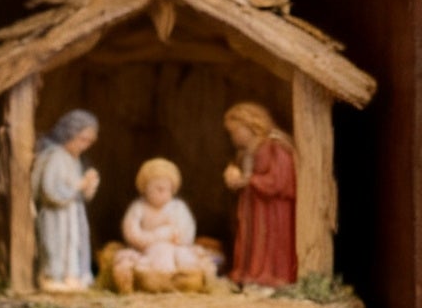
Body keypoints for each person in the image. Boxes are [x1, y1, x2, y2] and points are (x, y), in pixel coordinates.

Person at [109, 157, 219, 294]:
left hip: (175, 248)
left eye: (167, 189)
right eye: (157, 189)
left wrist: (176, 237)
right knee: (143, 260)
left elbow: (187, 232)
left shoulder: (178, 207)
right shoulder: (139, 207)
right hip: (147, 250)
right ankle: (157, 280)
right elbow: (131, 232)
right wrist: (154, 237)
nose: (162, 193)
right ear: (145, 189)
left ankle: (184, 278)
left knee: (186, 258)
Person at [225, 101, 297, 288]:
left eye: (236, 131)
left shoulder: (276, 146)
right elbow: (245, 173)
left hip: (273, 210)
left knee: (271, 244)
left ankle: (271, 277)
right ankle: (250, 274)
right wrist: (234, 175)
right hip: (254, 207)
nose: (233, 137)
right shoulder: (247, 151)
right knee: (252, 240)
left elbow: (279, 180)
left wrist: (249, 180)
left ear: (252, 126)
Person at [31, 108, 100, 292]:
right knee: (56, 245)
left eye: (89, 142)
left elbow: (79, 193)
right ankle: (53, 276)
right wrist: (80, 184)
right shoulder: (55, 157)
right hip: (56, 215)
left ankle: (71, 275)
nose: (85, 145)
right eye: (82, 139)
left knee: (73, 243)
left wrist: (89, 185)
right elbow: (51, 190)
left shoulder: (73, 159)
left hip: (71, 213)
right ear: (70, 133)